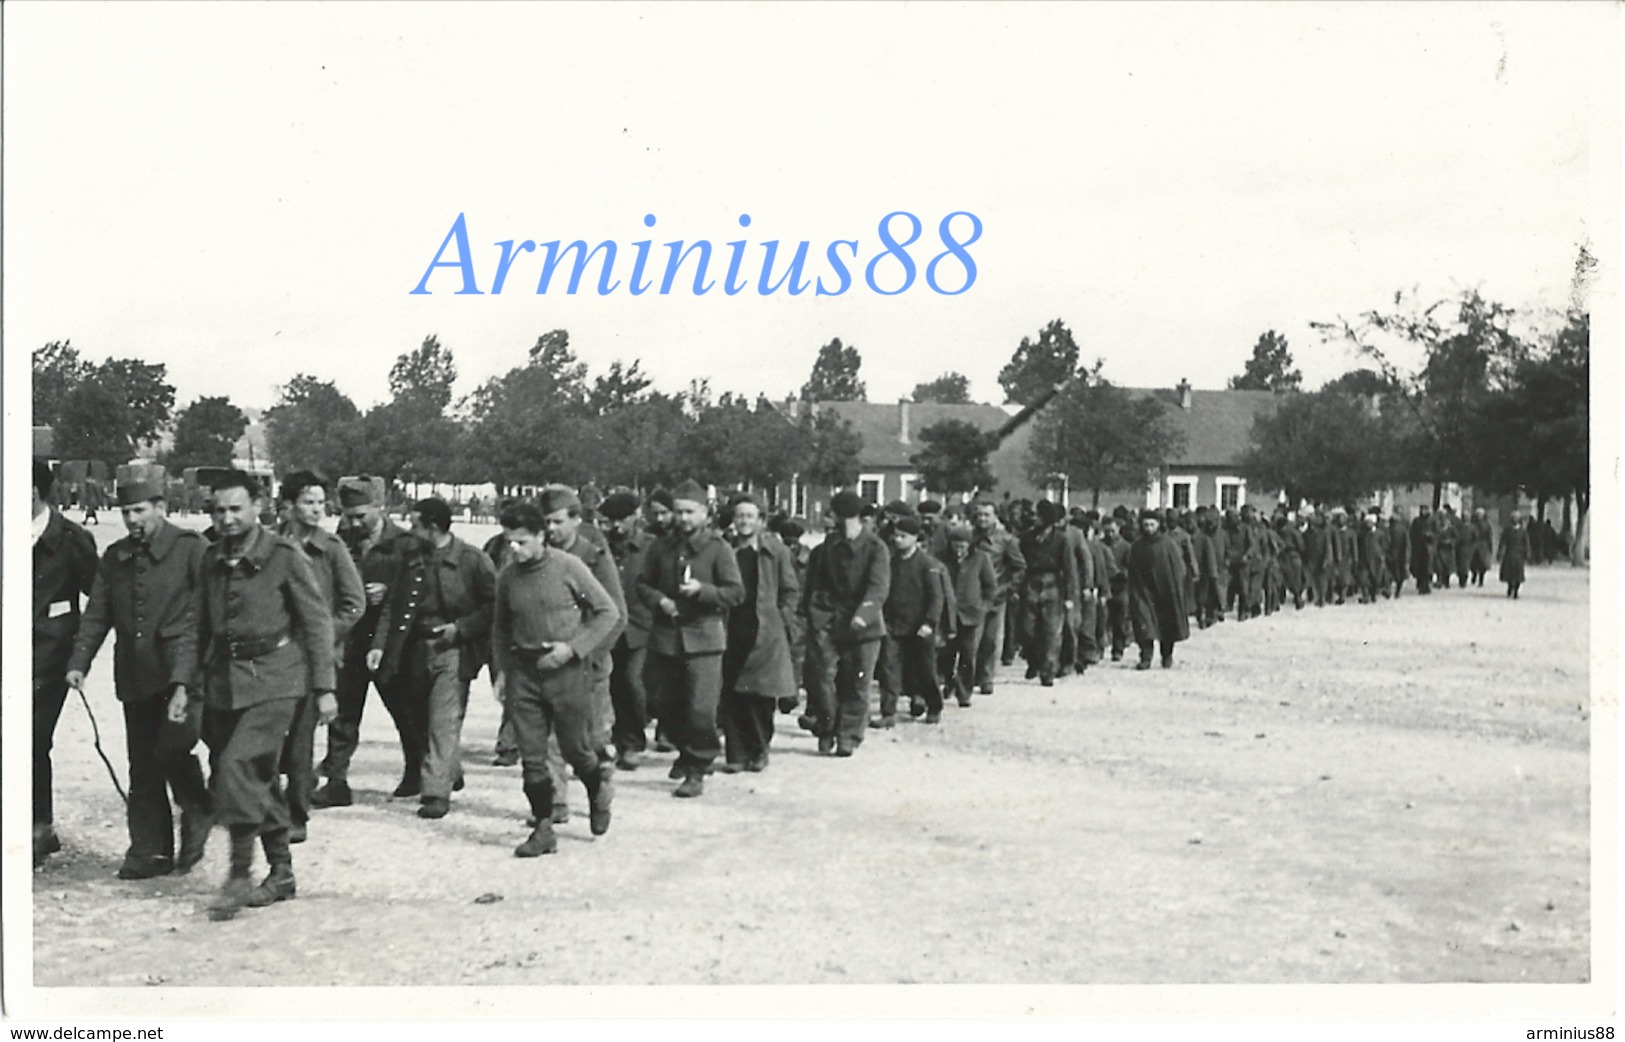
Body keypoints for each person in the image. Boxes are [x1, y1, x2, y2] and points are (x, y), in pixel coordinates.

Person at [195, 471, 336, 920]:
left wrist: (325, 688)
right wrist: (185, 684)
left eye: (236, 509)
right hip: (224, 683)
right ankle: (282, 872)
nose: (227, 518)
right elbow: (197, 628)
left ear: (258, 507)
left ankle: (238, 874)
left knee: (237, 765)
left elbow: (316, 623)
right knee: (253, 776)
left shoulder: (284, 555)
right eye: (219, 510)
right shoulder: (210, 558)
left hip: (278, 680)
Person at [65, 464, 211, 879]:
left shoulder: (190, 548)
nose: (131, 520)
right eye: (125, 511)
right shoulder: (115, 558)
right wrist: (79, 663)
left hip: (181, 674)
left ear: (161, 508)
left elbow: (208, 614)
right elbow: (97, 615)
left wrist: (195, 671)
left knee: (172, 748)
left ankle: (197, 806)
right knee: (142, 767)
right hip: (134, 676)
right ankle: (151, 850)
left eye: (140, 510)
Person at [490, 501, 621, 856]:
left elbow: (608, 612)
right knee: (533, 758)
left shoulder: (569, 567)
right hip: (524, 674)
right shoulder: (508, 577)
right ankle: (543, 828)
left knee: (576, 750)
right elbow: (500, 628)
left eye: (521, 541)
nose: (514, 549)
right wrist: (502, 672)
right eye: (509, 542)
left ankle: (597, 788)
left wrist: (573, 648)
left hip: (565, 672)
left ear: (540, 536)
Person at [369, 497, 496, 819]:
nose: (411, 531)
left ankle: (436, 793)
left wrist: (461, 629)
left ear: (434, 527)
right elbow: (392, 606)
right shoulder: (411, 558)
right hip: (413, 649)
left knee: (443, 720)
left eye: (416, 525)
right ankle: (447, 769)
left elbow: (494, 606)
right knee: (421, 720)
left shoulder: (473, 560)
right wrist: (379, 645)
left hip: (453, 649)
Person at [637, 479, 744, 795]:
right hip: (666, 639)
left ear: (705, 514)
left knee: (700, 707)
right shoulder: (661, 546)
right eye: (679, 512)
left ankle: (698, 766)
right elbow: (642, 584)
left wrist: (704, 592)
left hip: (704, 640)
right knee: (666, 704)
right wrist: (660, 601)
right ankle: (685, 752)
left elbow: (736, 592)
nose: (683, 518)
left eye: (690, 512)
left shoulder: (718, 548)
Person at [274, 472, 365, 841]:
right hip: (274, 652)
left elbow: (354, 603)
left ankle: (296, 814)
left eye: (320, 502)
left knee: (300, 739)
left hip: (314, 658)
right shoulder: (271, 544)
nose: (316, 509)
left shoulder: (332, 548)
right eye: (308, 502)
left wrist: (325, 633)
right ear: (289, 506)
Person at [314, 477, 412, 807]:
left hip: (388, 643)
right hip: (352, 641)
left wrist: (388, 593)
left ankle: (416, 771)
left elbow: (416, 588)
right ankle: (337, 780)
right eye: (348, 516)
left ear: (380, 508)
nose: (354, 523)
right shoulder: (338, 542)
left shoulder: (403, 543)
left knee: (404, 711)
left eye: (361, 516)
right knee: (342, 714)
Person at [32, 460, 99, 867]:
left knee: (32, 740)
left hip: (49, 661)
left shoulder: (72, 541)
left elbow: (101, 599)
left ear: (34, 493)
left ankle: (38, 828)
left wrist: (78, 654)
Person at [800, 490, 889, 756]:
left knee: (857, 682)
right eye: (840, 519)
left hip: (865, 626)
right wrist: (814, 615)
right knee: (822, 679)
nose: (842, 526)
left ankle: (848, 735)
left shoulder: (876, 548)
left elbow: (878, 587)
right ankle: (827, 728)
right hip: (829, 620)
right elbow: (813, 586)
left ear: (859, 519)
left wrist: (863, 615)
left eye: (848, 520)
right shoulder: (825, 549)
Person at [719, 494, 800, 770]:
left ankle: (759, 749)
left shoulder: (775, 551)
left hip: (764, 629)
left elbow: (790, 589)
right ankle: (736, 754)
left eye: (749, 516)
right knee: (731, 692)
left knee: (761, 695)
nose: (744, 521)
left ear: (761, 521)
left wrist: (782, 618)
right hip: (730, 627)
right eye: (739, 516)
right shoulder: (725, 549)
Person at [600, 491, 656, 770]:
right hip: (608, 629)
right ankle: (618, 740)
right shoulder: (601, 547)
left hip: (642, 628)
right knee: (612, 686)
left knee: (633, 683)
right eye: (610, 521)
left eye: (621, 520)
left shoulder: (651, 547)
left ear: (636, 516)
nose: (615, 527)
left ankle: (634, 741)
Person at [871, 515, 945, 726]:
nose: (897, 540)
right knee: (889, 669)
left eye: (903, 536)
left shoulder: (926, 564)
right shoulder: (890, 563)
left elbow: (935, 597)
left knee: (925, 669)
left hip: (919, 627)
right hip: (893, 625)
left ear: (914, 538)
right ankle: (888, 713)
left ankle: (933, 706)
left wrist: (929, 623)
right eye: (895, 536)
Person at [1017, 500, 1077, 687]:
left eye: (1037, 515)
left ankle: (1048, 670)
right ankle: (1033, 661)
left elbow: (1069, 568)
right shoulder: (1026, 539)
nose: (1033, 518)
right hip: (1031, 584)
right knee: (1027, 629)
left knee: (1052, 631)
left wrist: (1069, 596)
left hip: (1053, 586)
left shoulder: (1061, 539)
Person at [969, 500, 1025, 695]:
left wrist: (1006, 590)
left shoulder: (1006, 540)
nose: (982, 519)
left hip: (995, 597)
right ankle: (966, 679)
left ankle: (986, 678)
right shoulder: (969, 537)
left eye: (986, 515)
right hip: (971, 597)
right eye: (979, 514)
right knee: (970, 640)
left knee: (991, 640)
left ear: (995, 517)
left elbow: (1019, 568)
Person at [938, 527, 995, 708]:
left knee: (968, 655)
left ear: (970, 544)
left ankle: (964, 692)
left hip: (971, 617)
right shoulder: (941, 559)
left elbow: (990, 586)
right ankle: (948, 683)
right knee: (945, 654)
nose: (959, 548)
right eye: (955, 544)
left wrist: (983, 607)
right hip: (947, 616)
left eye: (962, 544)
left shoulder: (981, 558)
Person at [1127, 510, 1190, 669]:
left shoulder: (1168, 544)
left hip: (1166, 591)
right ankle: (1146, 657)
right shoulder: (1137, 546)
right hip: (1143, 591)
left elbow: (1179, 568)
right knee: (1144, 624)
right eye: (1146, 525)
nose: (1149, 528)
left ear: (1158, 525)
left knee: (1167, 625)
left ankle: (1167, 655)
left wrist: (1175, 587)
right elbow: (1132, 569)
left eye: (1152, 525)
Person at [1498, 510, 1530, 599]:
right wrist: (1500, 552)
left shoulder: (1523, 531)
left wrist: (1527, 553)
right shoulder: (1507, 530)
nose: (1514, 520)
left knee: (1518, 574)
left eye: (1516, 518)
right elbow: (1503, 541)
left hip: (1519, 554)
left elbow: (1526, 543)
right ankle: (1510, 587)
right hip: (1509, 553)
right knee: (1509, 573)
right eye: (1513, 518)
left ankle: (1516, 590)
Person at [1409, 505, 1436, 595]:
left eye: (1425, 510)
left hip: (1429, 547)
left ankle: (1426, 585)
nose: (1423, 511)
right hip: (1418, 547)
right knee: (1419, 567)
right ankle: (1420, 584)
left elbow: (1437, 532)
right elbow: (1412, 533)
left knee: (1427, 567)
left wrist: (1430, 535)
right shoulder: (1416, 521)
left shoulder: (1432, 521)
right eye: (1422, 510)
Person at [1468, 507, 1495, 587]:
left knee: (1482, 564)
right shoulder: (1473, 524)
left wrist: (1490, 547)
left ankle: (1481, 580)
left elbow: (1489, 536)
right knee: (1473, 563)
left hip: (1483, 545)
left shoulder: (1487, 525)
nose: (1479, 516)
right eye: (1478, 515)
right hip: (1474, 545)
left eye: (1480, 515)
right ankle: (1474, 574)